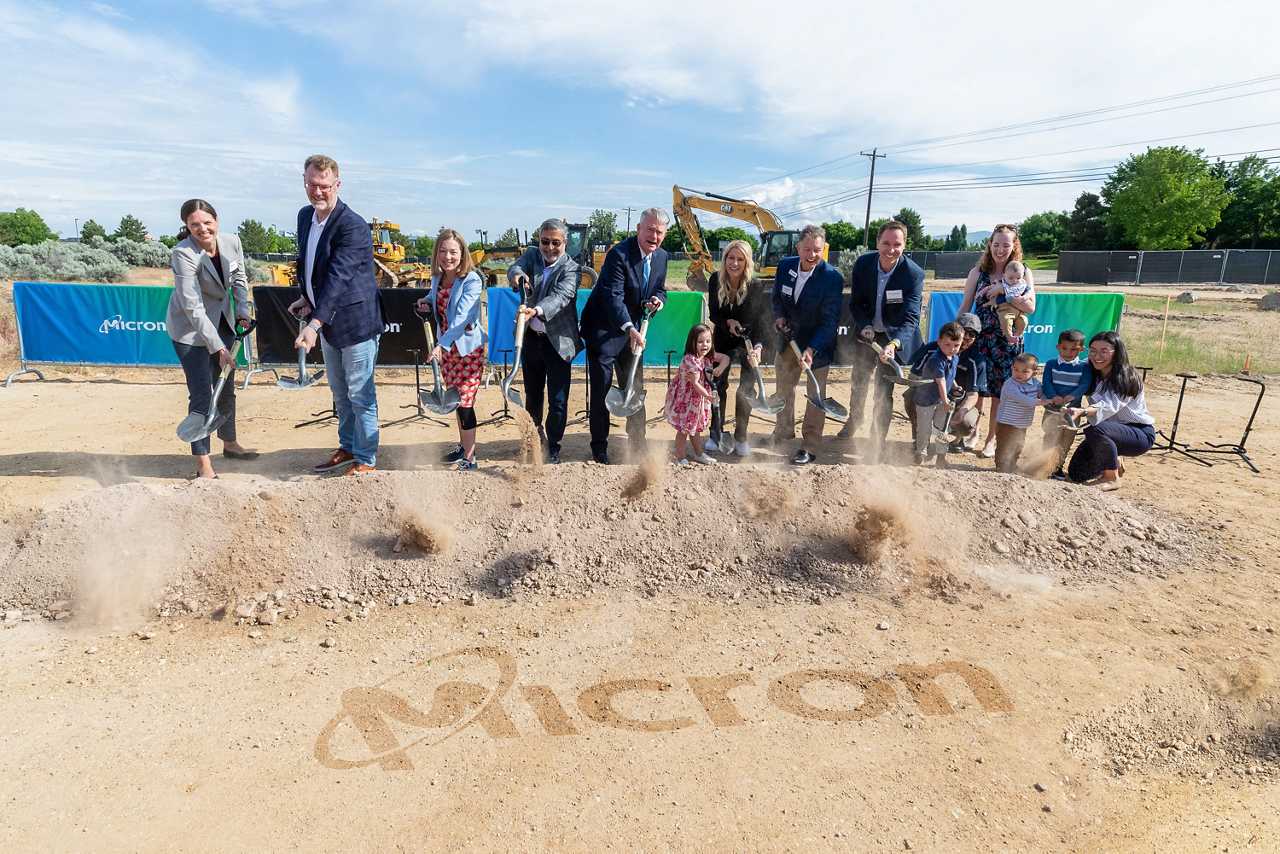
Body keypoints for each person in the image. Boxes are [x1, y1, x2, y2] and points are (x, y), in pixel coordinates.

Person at [289, 155, 386, 476]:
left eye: (324, 186)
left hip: (356, 323)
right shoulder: (305, 216)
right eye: (311, 184)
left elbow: (339, 278)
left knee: (360, 394)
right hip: (328, 319)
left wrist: (314, 323)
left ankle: (366, 458)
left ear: (337, 185)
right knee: (340, 393)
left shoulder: (352, 225)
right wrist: (307, 297)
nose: (317, 191)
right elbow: (310, 263)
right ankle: (348, 447)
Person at [167, 199, 256, 479]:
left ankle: (230, 444)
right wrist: (218, 347)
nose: (202, 229)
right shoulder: (183, 253)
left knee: (226, 387)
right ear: (187, 226)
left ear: (217, 221)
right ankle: (203, 464)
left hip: (223, 322)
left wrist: (241, 311)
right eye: (194, 224)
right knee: (203, 395)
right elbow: (192, 307)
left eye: (207, 222)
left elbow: (239, 278)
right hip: (190, 330)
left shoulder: (232, 242)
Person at [580, 207, 668, 464]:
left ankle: (638, 444)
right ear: (639, 228)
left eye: (659, 232)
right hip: (604, 330)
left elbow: (660, 288)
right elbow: (613, 297)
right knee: (603, 389)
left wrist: (658, 300)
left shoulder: (661, 256)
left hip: (633, 332)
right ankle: (599, 448)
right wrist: (629, 328)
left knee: (634, 386)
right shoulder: (618, 254)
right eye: (650, 229)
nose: (654, 236)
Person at [841, 221, 925, 449]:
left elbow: (910, 318)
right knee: (859, 380)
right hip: (866, 335)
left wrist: (894, 343)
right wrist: (865, 325)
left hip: (893, 339)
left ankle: (876, 440)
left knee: (883, 389)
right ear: (877, 242)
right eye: (886, 243)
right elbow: (856, 303)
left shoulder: (913, 274)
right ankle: (855, 418)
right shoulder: (863, 264)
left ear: (904, 245)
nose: (891, 249)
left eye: (897, 244)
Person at [508, 219, 583, 464]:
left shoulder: (572, 268)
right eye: (545, 242)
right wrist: (518, 276)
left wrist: (536, 311)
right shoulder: (531, 255)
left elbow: (561, 297)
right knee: (533, 395)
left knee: (558, 401)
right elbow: (514, 268)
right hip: (530, 339)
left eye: (555, 243)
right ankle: (533, 439)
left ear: (565, 242)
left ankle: (553, 446)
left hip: (558, 343)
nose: (550, 248)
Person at [957, 223, 1036, 459]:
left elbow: (1030, 307)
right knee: (978, 389)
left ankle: (991, 439)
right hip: (980, 338)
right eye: (996, 244)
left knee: (1000, 393)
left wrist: (1004, 289)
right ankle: (973, 433)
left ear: (1014, 246)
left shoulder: (1023, 272)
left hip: (1008, 342)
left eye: (1006, 245)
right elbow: (966, 306)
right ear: (990, 245)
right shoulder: (977, 273)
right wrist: (956, 334)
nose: (1000, 250)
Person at [769, 224, 844, 466]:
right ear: (799, 247)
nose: (812, 255)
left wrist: (812, 349)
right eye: (808, 249)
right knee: (783, 388)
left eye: (817, 250)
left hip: (817, 349)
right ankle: (783, 430)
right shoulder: (785, 266)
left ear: (824, 249)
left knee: (815, 397)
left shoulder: (832, 278)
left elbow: (830, 322)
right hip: (788, 343)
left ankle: (810, 446)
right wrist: (779, 317)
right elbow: (777, 299)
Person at [417, 229, 488, 471]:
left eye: (453, 252)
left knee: (465, 402)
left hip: (466, 350)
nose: (448, 257)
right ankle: (462, 447)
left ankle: (470, 457)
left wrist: (440, 346)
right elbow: (436, 296)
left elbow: (461, 319)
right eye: (443, 251)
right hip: (447, 350)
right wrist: (426, 301)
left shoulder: (472, 280)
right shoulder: (438, 277)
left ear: (462, 254)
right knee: (456, 399)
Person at [1064, 331, 1156, 491]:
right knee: (1077, 473)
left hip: (1137, 433)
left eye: (1104, 351)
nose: (1097, 356)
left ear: (1117, 353)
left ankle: (1112, 478)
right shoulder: (1088, 368)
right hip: (1106, 431)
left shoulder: (1127, 377)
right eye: (1093, 351)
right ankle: (1116, 458)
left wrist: (1083, 411)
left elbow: (1108, 406)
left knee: (1094, 428)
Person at [706, 239, 772, 456]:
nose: (734, 263)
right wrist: (728, 322)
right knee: (717, 384)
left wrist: (758, 347)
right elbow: (714, 314)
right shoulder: (715, 279)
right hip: (723, 338)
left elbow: (760, 320)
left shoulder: (755, 285)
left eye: (740, 259)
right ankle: (716, 433)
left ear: (747, 262)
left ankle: (741, 437)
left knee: (747, 387)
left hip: (748, 340)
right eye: (731, 258)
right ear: (725, 259)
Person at [903, 312, 987, 452]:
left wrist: (962, 411)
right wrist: (927, 377)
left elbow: (973, 395)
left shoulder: (977, 360)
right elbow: (912, 378)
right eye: (964, 331)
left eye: (972, 334)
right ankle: (920, 439)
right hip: (929, 395)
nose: (967, 337)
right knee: (911, 395)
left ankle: (955, 440)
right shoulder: (931, 349)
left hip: (958, 401)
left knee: (967, 422)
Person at [665, 324, 720, 466]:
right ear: (692, 342)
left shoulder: (706, 357)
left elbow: (725, 358)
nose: (705, 345)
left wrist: (720, 368)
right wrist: (709, 397)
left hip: (697, 399)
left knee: (695, 427)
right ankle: (680, 457)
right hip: (686, 399)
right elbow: (695, 383)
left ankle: (699, 454)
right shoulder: (691, 360)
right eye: (700, 342)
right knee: (684, 429)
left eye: (708, 341)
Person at [911, 322, 964, 468]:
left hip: (942, 399)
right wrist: (946, 402)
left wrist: (955, 386)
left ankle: (941, 457)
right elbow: (941, 382)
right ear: (939, 341)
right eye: (947, 345)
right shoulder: (936, 359)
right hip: (926, 400)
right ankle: (920, 454)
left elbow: (949, 376)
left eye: (956, 345)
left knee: (943, 428)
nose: (952, 349)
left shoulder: (955, 358)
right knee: (924, 430)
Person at [1040, 329, 1091, 478]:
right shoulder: (1051, 364)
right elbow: (1047, 382)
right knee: (1050, 437)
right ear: (1058, 347)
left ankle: (1057, 466)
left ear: (1081, 349)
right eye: (1064, 348)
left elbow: (1085, 384)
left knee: (1067, 440)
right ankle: (1044, 465)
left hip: (1073, 412)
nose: (1068, 353)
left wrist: (1073, 395)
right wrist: (1053, 396)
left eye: (1074, 349)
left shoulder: (1084, 367)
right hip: (1052, 411)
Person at [995, 353, 1047, 473]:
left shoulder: (1035, 383)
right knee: (1004, 446)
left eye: (1024, 371)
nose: (1019, 373)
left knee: (1018, 445)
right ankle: (1001, 467)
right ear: (1011, 368)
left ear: (1034, 373)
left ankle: (1012, 464)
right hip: (1006, 422)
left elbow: (1042, 394)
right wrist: (1039, 403)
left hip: (1023, 423)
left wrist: (1048, 401)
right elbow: (1020, 398)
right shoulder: (1009, 384)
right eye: (1016, 369)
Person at [982, 259, 1032, 345]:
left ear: (1022, 277)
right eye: (1011, 278)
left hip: (1019, 311)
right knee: (1006, 320)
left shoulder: (1022, 285)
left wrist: (1023, 298)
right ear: (1004, 276)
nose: (1015, 280)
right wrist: (980, 294)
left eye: (1018, 278)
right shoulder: (1001, 282)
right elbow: (988, 288)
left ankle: (1016, 336)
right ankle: (1009, 337)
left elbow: (1029, 294)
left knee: (1024, 321)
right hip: (1004, 308)